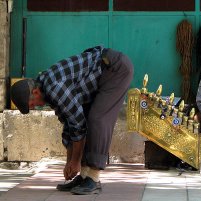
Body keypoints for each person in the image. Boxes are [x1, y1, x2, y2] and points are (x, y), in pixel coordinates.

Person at [10, 46, 133, 195]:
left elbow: (78, 124)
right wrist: (69, 162)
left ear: (35, 92)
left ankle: (93, 178)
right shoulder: (47, 90)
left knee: (97, 119)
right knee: (84, 120)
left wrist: (75, 162)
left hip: (114, 69)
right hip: (101, 73)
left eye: (32, 104)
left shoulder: (54, 87)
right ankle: (84, 176)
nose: (35, 107)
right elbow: (69, 124)